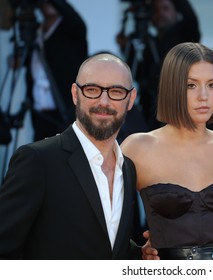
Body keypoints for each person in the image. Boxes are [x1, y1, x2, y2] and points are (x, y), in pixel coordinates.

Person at [121, 42, 213, 260]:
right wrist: (136, 251)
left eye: (212, 85)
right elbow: (106, 223)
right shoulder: (137, 148)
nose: (204, 96)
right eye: (191, 85)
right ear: (172, 87)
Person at [0, 53, 141, 259]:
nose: (104, 101)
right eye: (92, 90)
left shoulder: (127, 169)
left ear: (130, 99)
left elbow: (105, 243)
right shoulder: (37, 160)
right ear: (75, 94)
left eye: (116, 91)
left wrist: (140, 254)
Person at [117, 0, 201, 131]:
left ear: (176, 12)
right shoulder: (149, 42)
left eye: (165, 9)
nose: (160, 14)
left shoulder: (185, 34)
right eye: (156, 11)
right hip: (149, 110)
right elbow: (138, 74)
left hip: (179, 108)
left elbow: (189, 16)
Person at [23, 0, 88, 142]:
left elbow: (73, 17)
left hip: (65, 110)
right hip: (39, 111)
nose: (45, 4)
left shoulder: (72, 28)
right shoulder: (37, 31)